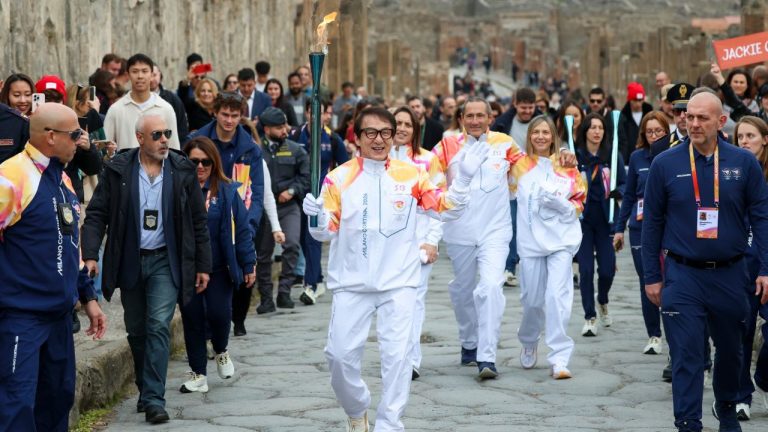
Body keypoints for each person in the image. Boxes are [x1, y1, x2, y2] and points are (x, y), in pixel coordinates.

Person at [302, 105, 487, 432]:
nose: (378, 139)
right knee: (339, 356)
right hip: (351, 284)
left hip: (399, 283)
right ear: (357, 138)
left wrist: (464, 182)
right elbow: (325, 232)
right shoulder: (338, 178)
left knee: (398, 360)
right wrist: (315, 216)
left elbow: (445, 209)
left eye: (385, 133)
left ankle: (389, 424)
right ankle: (356, 407)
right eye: (370, 133)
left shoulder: (412, 175)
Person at [642, 92, 768, 432]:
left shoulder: (743, 163)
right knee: (687, 353)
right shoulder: (665, 164)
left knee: (731, 352)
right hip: (683, 275)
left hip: (730, 274)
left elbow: (762, 217)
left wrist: (766, 268)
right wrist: (652, 276)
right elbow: (652, 221)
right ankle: (688, 422)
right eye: (689, 116)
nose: (692, 123)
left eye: (701, 118)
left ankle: (726, 406)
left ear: (720, 121)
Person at [433, 96, 576, 379]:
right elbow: (433, 183)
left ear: (490, 118)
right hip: (459, 231)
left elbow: (535, 167)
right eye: (469, 116)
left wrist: (563, 156)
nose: (475, 121)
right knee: (463, 291)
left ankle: (487, 357)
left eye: (480, 116)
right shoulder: (447, 146)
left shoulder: (504, 144)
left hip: (494, 232)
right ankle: (469, 341)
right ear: (461, 118)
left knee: (490, 288)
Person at [82, 113, 211, 424]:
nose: (164, 139)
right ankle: (145, 387)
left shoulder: (182, 170)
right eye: (157, 135)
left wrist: (203, 265)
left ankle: (154, 398)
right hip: (130, 259)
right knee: (137, 329)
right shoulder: (118, 170)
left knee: (157, 325)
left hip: (166, 260)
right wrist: (90, 254)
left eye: (167, 133)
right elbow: (97, 213)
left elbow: (197, 221)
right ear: (140, 139)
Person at [0, 103, 106, 431]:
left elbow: (70, 244)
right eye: (74, 134)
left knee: (59, 398)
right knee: (17, 405)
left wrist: (87, 298)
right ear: (50, 137)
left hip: (60, 316)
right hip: (21, 316)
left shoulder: (62, 178)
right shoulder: (11, 176)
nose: (80, 140)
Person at [178, 136, 256, 393]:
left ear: (214, 163)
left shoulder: (226, 190)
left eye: (206, 162)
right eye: (194, 161)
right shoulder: (177, 190)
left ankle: (221, 349)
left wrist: (248, 264)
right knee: (193, 319)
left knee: (220, 315)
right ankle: (198, 373)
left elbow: (242, 230)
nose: (200, 167)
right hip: (188, 268)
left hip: (220, 268)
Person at [184, 93, 266, 334]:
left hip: (239, 217)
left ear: (242, 116)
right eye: (225, 114)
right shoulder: (196, 140)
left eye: (235, 115)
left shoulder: (250, 148)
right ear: (215, 113)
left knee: (240, 271)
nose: (229, 120)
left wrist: (249, 226)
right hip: (205, 216)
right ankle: (209, 331)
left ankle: (236, 320)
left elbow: (257, 191)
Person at [513, 115, 586, 379]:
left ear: (554, 137)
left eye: (546, 132)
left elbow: (580, 202)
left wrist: (564, 205)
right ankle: (529, 339)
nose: (541, 137)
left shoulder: (567, 166)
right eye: (536, 132)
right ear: (529, 136)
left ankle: (559, 358)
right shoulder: (517, 166)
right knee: (532, 300)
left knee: (557, 298)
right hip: (531, 243)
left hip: (562, 241)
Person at [389, 106, 445, 380]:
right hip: (387, 245)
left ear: (415, 129)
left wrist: (433, 241)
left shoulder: (428, 161)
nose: (401, 129)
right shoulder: (378, 158)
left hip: (419, 243)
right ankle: (394, 354)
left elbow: (439, 204)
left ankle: (410, 360)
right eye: (396, 123)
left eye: (407, 124)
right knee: (391, 303)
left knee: (414, 301)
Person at [613, 111, 669, 354]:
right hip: (639, 227)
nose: (654, 135)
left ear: (666, 132)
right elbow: (627, 197)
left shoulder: (673, 157)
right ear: (643, 135)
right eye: (650, 131)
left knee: (670, 281)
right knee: (647, 279)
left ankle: (673, 333)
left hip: (667, 228)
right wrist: (619, 229)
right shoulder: (636, 158)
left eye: (658, 131)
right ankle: (654, 335)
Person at [289, 99, 349, 305]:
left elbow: (346, 167)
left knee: (312, 239)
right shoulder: (295, 135)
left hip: (322, 198)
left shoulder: (333, 139)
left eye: (323, 113)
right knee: (302, 240)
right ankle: (319, 279)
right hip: (298, 194)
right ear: (307, 114)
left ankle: (311, 285)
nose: (318, 117)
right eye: (314, 113)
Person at [253, 108, 309, 312]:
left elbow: (306, 177)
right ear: (267, 129)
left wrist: (293, 190)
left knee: (292, 244)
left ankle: (284, 292)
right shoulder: (256, 150)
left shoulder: (296, 150)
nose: (284, 130)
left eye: (284, 125)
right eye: (278, 127)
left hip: (288, 206)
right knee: (263, 254)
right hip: (265, 210)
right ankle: (266, 297)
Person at [575, 112, 625, 337]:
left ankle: (602, 299)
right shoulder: (575, 156)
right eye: (592, 127)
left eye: (601, 128)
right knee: (585, 270)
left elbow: (625, 183)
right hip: (583, 222)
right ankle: (590, 316)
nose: (597, 131)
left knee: (606, 271)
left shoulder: (613, 156)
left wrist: (619, 192)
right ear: (585, 130)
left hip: (607, 221)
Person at [732, 116, 768, 420]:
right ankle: (742, 395)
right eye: (740, 136)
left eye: (751, 136)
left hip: (767, 264)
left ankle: (765, 380)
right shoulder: (731, 174)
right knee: (741, 331)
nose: (744, 141)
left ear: (764, 139)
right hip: (740, 264)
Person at [491, 87, 538, 287]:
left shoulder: (542, 123)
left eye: (530, 108)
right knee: (511, 226)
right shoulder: (503, 123)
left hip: (536, 181)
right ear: (515, 105)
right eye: (523, 107)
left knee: (534, 225)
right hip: (510, 185)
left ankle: (531, 266)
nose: (527, 111)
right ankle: (509, 268)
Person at [104, 53, 180, 150]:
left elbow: (174, 148)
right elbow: (106, 148)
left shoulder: (165, 108)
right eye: (135, 71)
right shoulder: (116, 110)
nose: (140, 76)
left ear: (152, 74)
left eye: (144, 71)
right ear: (128, 75)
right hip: (126, 164)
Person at [151, 65, 189, 141]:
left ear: (160, 75)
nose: (152, 79)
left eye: (154, 75)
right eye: (149, 76)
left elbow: (182, 126)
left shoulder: (172, 98)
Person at [618, 82, 653, 164]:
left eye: (640, 100)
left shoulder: (650, 114)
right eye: (635, 100)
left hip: (648, 158)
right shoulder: (623, 117)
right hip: (628, 160)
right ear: (629, 100)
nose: (638, 103)